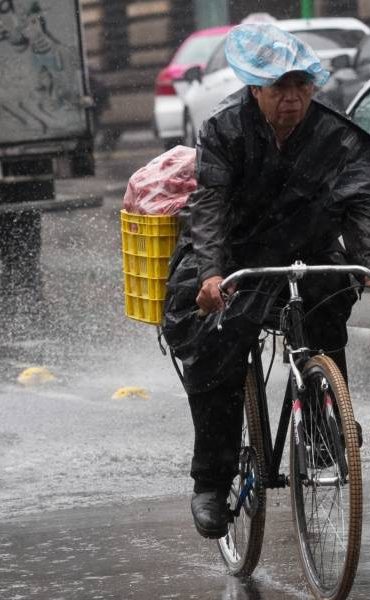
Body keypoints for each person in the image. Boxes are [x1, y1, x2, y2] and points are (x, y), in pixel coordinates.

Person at [162, 23, 370, 540]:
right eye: (280, 88)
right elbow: (208, 207)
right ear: (256, 88)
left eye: (301, 86)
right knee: (217, 346)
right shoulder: (225, 129)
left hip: (305, 252)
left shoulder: (338, 137)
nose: (292, 99)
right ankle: (212, 479)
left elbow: (361, 208)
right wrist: (210, 273)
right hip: (233, 256)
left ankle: (326, 423)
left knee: (329, 303)